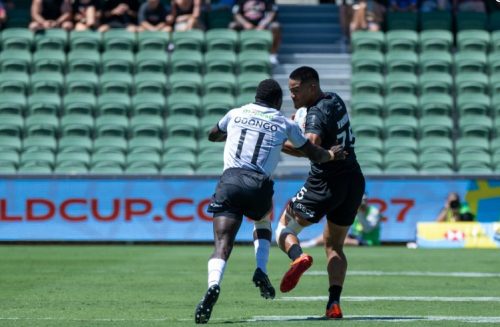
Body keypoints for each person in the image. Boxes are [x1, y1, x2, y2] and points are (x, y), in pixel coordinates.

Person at [194, 79, 348, 324]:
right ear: (277, 102)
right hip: (258, 185)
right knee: (262, 220)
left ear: (256, 97)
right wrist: (331, 154)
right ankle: (261, 269)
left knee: (222, 243)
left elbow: (213, 134)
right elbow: (313, 153)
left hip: (230, 180)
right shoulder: (283, 122)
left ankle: (213, 284)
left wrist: (231, 132)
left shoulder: (236, 113)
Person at [275, 66, 365, 319]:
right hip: (353, 180)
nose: (291, 95)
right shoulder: (334, 99)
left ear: (311, 87)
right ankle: (333, 303)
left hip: (325, 182)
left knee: (283, 229)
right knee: (335, 245)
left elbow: (311, 145)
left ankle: (299, 256)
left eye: (295, 91)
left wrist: (278, 143)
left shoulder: (314, 114)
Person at [301, 194, 382, 248]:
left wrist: (360, 212)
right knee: (331, 234)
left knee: (339, 240)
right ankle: (310, 243)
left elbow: (368, 229)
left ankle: (311, 244)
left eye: (364, 200)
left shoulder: (374, 211)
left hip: (369, 242)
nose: (362, 203)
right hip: (357, 237)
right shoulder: (354, 210)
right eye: (360, 200)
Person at [229, 0, 281, 65]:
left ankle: (272, 55)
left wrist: (263, 24)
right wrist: (245, 23)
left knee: (275, 26)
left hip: (263, 24)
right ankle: (234, 54)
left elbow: (272, 12)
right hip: (244, 24)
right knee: (232, 25)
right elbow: (236, 13)